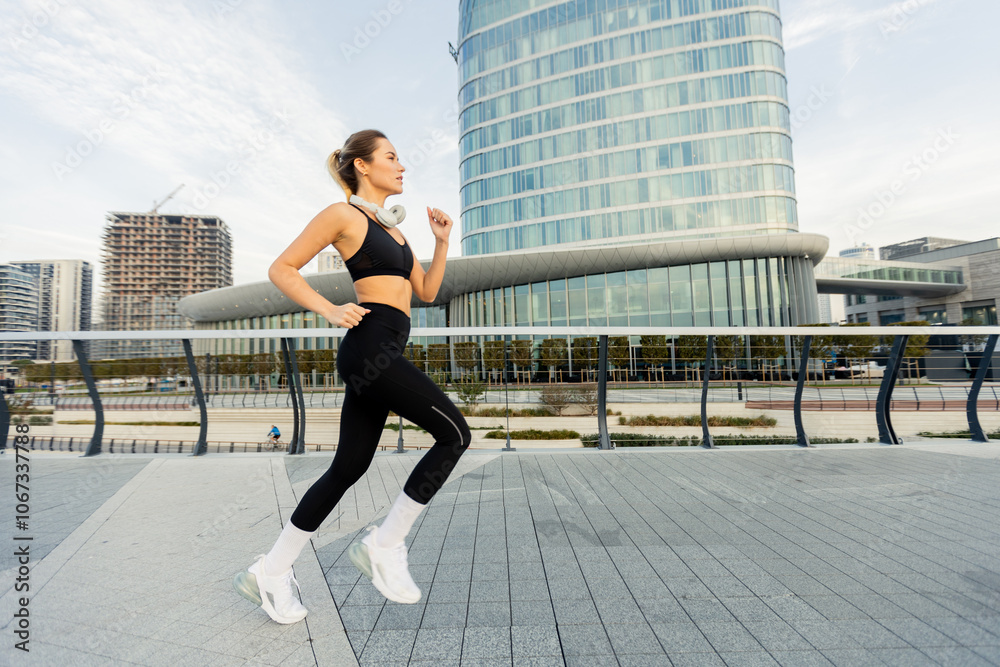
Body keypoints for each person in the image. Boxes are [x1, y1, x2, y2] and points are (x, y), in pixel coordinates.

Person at [233, 129, 471, 624]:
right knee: (454, 435)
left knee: (347, 469)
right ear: (362, 166)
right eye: (391, 157)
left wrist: (442, 242)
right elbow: (283, 268)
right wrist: (328, 309)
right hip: (369, 349)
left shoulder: (397, 231)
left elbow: (425, 292)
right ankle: (386, 544)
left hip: (384, 347)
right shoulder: (343, 214)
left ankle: (270, 571)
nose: (402, 165)